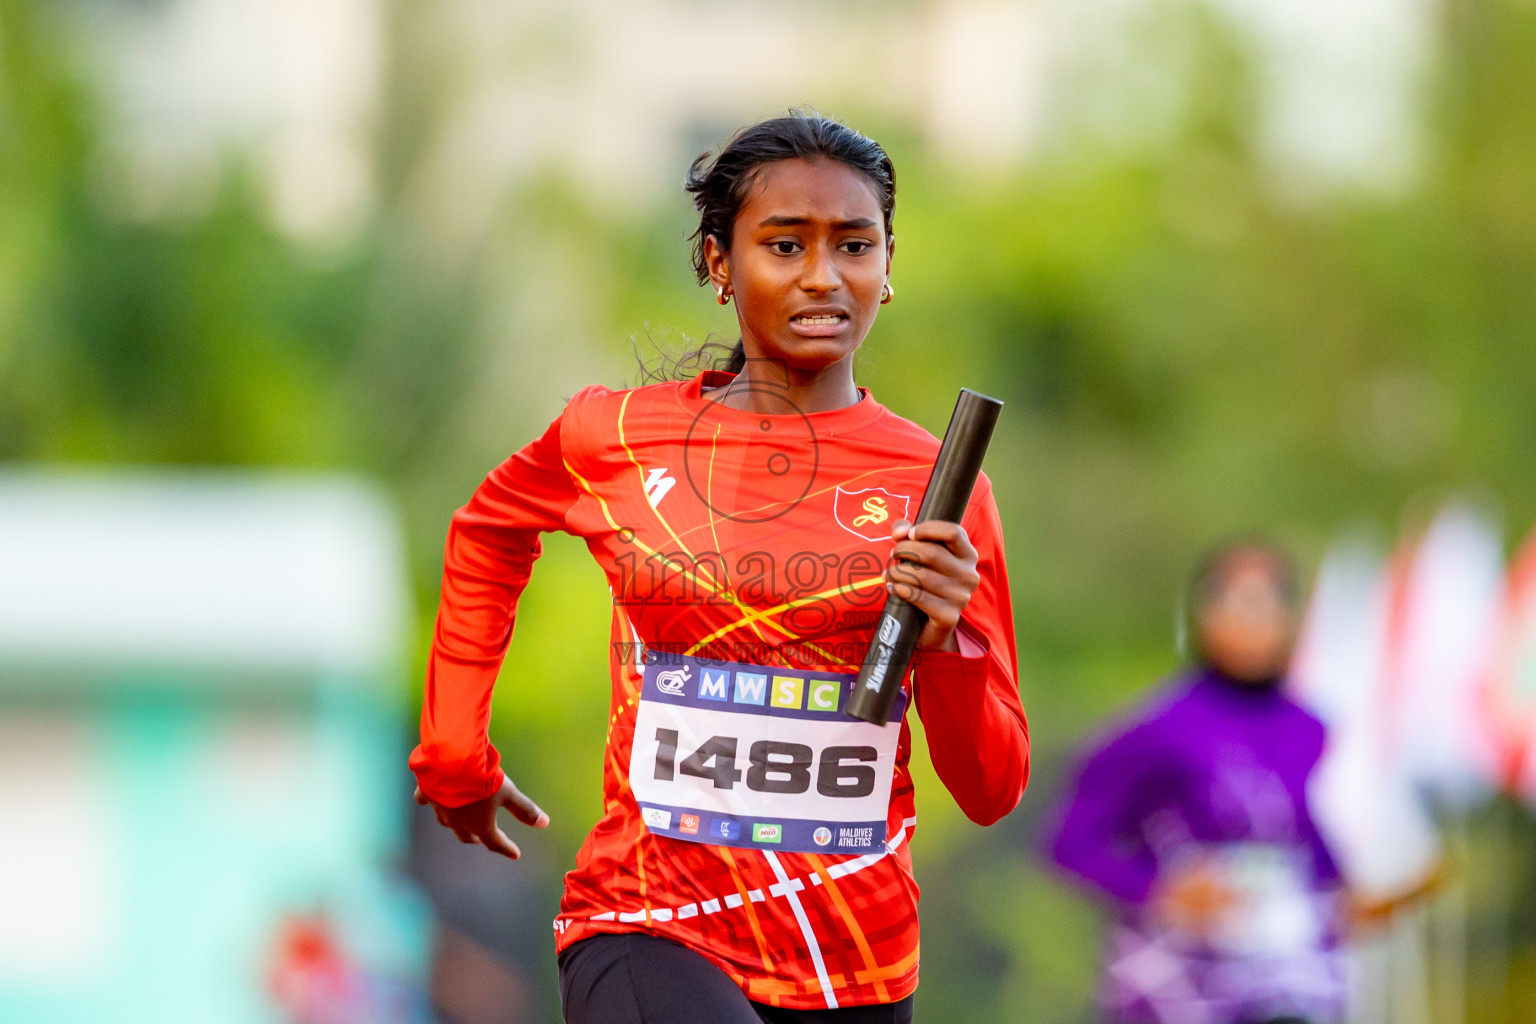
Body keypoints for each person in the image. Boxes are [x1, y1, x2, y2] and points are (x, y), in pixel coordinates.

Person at [409, 112, 1030, 1024]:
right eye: (785, 244)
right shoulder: (615, 435)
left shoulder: (940, 486)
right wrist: (453, 749)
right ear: (717, 264)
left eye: (854, 244)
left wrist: (948, 647)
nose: (823, 275)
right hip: (648, 921)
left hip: (853, 959)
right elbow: (487, 531)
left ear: (888, 266)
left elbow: (990, 789)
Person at [1045, 541, 1346, 1024]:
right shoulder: (1155, 729)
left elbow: (1309, 840)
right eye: (1240, 601)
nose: (1255, 620)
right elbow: (1070, 843)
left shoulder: (1313, 729)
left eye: (1270, 602)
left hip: (1289, 979)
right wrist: (1159, 890)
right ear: (1204, 613)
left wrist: (1345, 894)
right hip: (1177, 983)